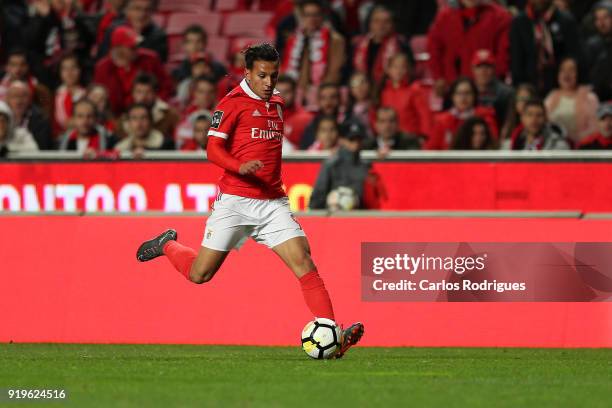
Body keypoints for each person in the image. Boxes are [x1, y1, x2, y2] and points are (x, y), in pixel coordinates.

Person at [135, 43, 364, 358]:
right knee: (200, 274)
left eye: (274, 76)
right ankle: (167, 244)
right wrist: (238, 166)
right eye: (262, 76)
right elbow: (212, 150)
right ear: (247, 73)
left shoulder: (278, 103)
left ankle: (332, 336)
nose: (269, 83)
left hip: (272, 203)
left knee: (305, 263)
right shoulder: (231, 104)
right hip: (235, 201)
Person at [427, 0, 512, 97]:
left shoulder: (500, 17)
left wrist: (492, 81)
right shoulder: (444, 17)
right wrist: (438, 77)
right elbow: (434, 50)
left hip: (488, 92)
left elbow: (504, 55)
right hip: (452, 90)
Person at [510, 0, 584, 96]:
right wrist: (520, 87)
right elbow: (516, 58)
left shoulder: (566, 21)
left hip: (559, 88)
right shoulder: (519, 22)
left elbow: (575, 55)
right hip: (529, 86)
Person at [93, 25, 172, 115]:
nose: (136, 49)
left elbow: (167, 87)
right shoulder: (103, 68)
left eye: (136, 45)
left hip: (149, 112)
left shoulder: (150, 59)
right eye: (131, 47)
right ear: (119, 49)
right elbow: (99, 97)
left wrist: (154, 103)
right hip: (115, 116)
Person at [281, 0, 346, 95]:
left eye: (316, 15)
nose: (312, 19)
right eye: (308, 15)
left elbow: (334, 72)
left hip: (322, 94)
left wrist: (319, 92)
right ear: (302, 17)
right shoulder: (292, 38)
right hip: (295, 93)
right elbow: (286, 67)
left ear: (322, 16)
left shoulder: (335, 39)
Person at [426, 77, 498, 150]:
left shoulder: (485, 116)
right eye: (459, 93)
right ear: (452, 96)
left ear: (474, 96)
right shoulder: (442, 120)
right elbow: (430, 150)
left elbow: (493, 145)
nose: (463, 97)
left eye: (467, 93)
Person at [352, 5, 413, 84]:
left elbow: (408, 72)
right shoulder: (359, 45)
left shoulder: (401, 45)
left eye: (386, 22)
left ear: (393, 25)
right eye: (377, 21)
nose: (381, 26)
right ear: (370, 24)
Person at [379, 52, 434, 140]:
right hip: (389, 139)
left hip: (410, 139)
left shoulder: (415, 91)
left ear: (408, 70)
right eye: (395, 67)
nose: (399, 71)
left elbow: (425, 116)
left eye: (403, 67)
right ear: (388, 70)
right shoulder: (383, 92)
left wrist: (424, 136)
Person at [544, 57, 599, 144]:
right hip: (554, 147)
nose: (566, 74)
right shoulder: (551, 96)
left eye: (571, 70)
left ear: (578, 73)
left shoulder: (590, 97)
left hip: (582, 148)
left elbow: (596, 127)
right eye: (563, 70)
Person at [115, 73, 179, 144]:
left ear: (155, 93)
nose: (143, 97)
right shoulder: (124, 118)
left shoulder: (170, 115)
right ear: (133, 94)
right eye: (139, 92)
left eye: (148, 92)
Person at [97, 0, 168, 62]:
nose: (142, 14)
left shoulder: (159, 36)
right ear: (127, 11)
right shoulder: (113, 29)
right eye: (137, 9)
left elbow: (157, 65)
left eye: (147, 10)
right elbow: (102, 59)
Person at [5, 80, 53, 150]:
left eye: (23, 96)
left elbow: (43, 147)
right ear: (7, 99)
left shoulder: (41, 120)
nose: (19, 101)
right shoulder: (2, 118)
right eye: (14, 96)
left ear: (29, 99)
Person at [471, 49, 514, 126]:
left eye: (488, 67)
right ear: (473, 69)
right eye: (479, 67)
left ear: (494, 68)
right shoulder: (466, 90)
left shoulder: (505, 93)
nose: (483, 71)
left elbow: (509, 121)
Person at [299, 83, 345, 150]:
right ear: (318, 101)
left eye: (333, 97)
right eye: (323, 98)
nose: (328, 102)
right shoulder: (312, 125)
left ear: (339, 99)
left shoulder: (348, 122)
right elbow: (304, 152)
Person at [276, 74, 313, 149]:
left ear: (295, 93)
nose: (281, 96)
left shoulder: (307, 118)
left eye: (287, 92)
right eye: (278, 92)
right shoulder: (263, 117)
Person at [54, 54, 86, 136]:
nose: (69, 72)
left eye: (73, 68)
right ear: (60, 72)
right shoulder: (54, 95)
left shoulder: (87, 94)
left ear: (80, 70)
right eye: (65, 69)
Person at [588, 2, 612, 101]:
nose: (601, 23)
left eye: (605, 18)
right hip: (598, 98)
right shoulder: (591, 45)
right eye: (598, 19)